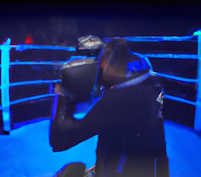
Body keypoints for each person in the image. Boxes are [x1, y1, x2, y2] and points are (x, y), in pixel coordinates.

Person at [50, 36, 169, 177]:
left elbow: (59, 140)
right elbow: (140, 136)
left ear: (110, 65)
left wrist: (61, 95)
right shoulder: (152, 84)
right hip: (145, 170)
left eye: (101, 64)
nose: (100, 70)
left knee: (68, 173)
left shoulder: (118, 100)